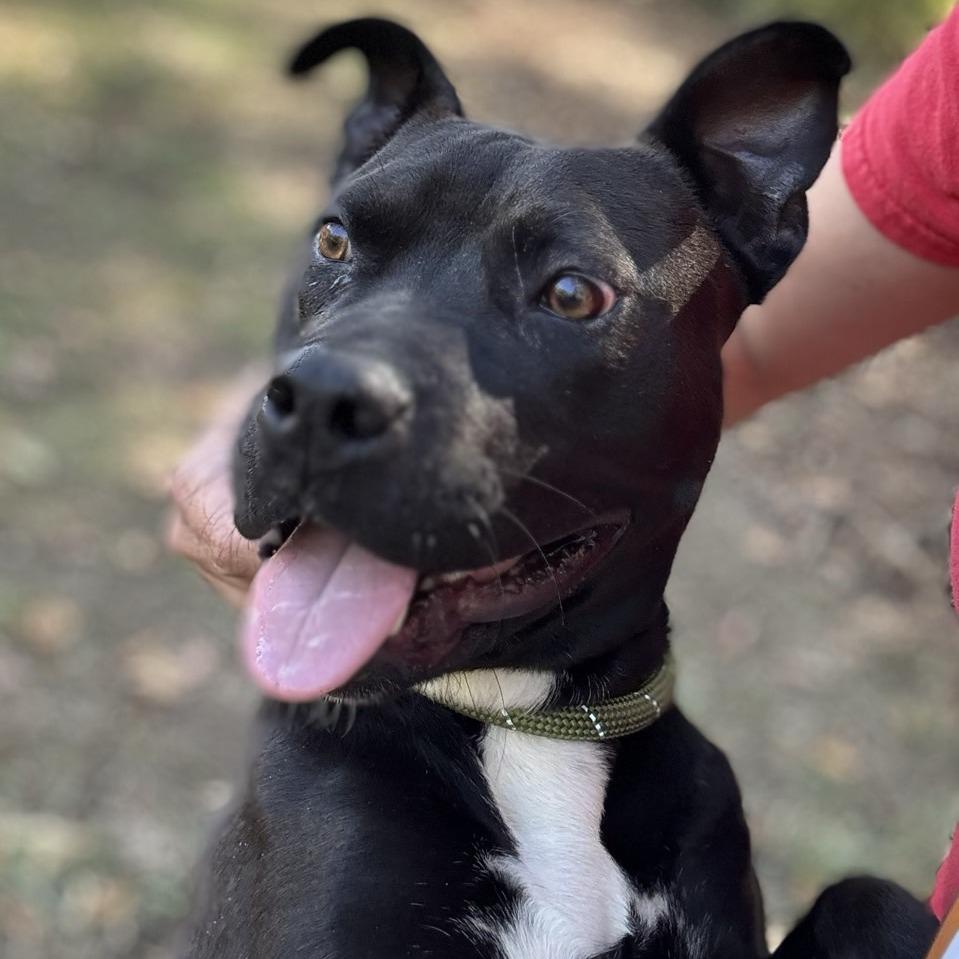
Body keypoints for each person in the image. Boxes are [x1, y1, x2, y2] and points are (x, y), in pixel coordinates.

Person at [166, 5, 959, 930]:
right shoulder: (328, 796)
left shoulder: (693, 814)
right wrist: (247, 424)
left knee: (869, 923)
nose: (343, 379)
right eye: (343, 248)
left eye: (570, 293)